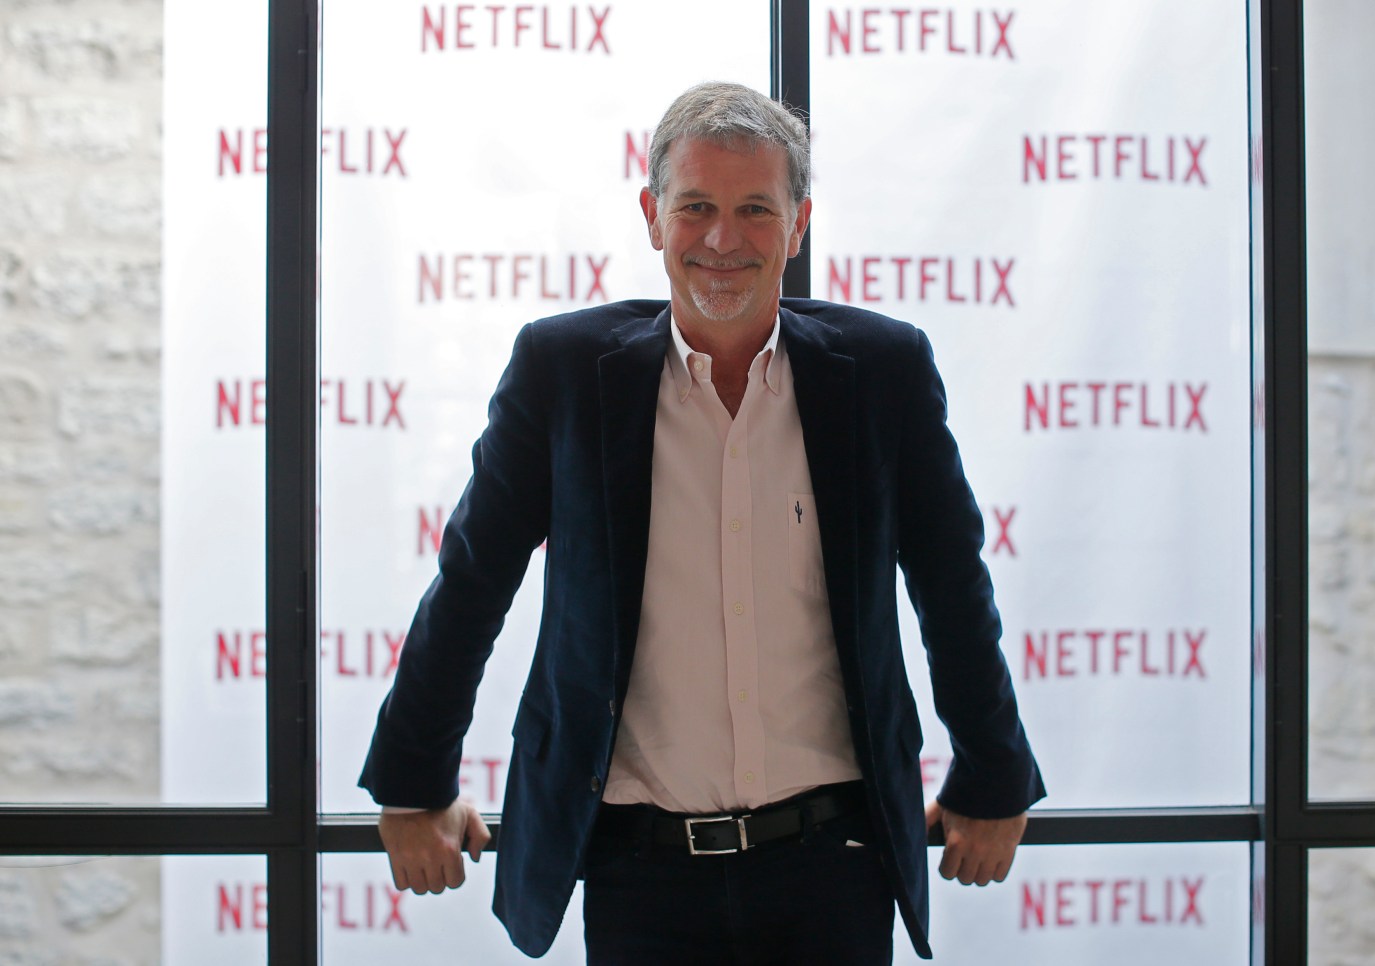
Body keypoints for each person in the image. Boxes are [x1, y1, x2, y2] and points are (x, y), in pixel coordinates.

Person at [359, 81, 1044, 964]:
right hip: (639, 877)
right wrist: (415, 783)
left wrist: (992, 775)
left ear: (798, 224)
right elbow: (471, 584)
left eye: (756, 208)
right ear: (652, 215)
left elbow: (953, 585)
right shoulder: (564, 373)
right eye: (697, 208)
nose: (725, 239)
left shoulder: (882, 372)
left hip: (835, 867)